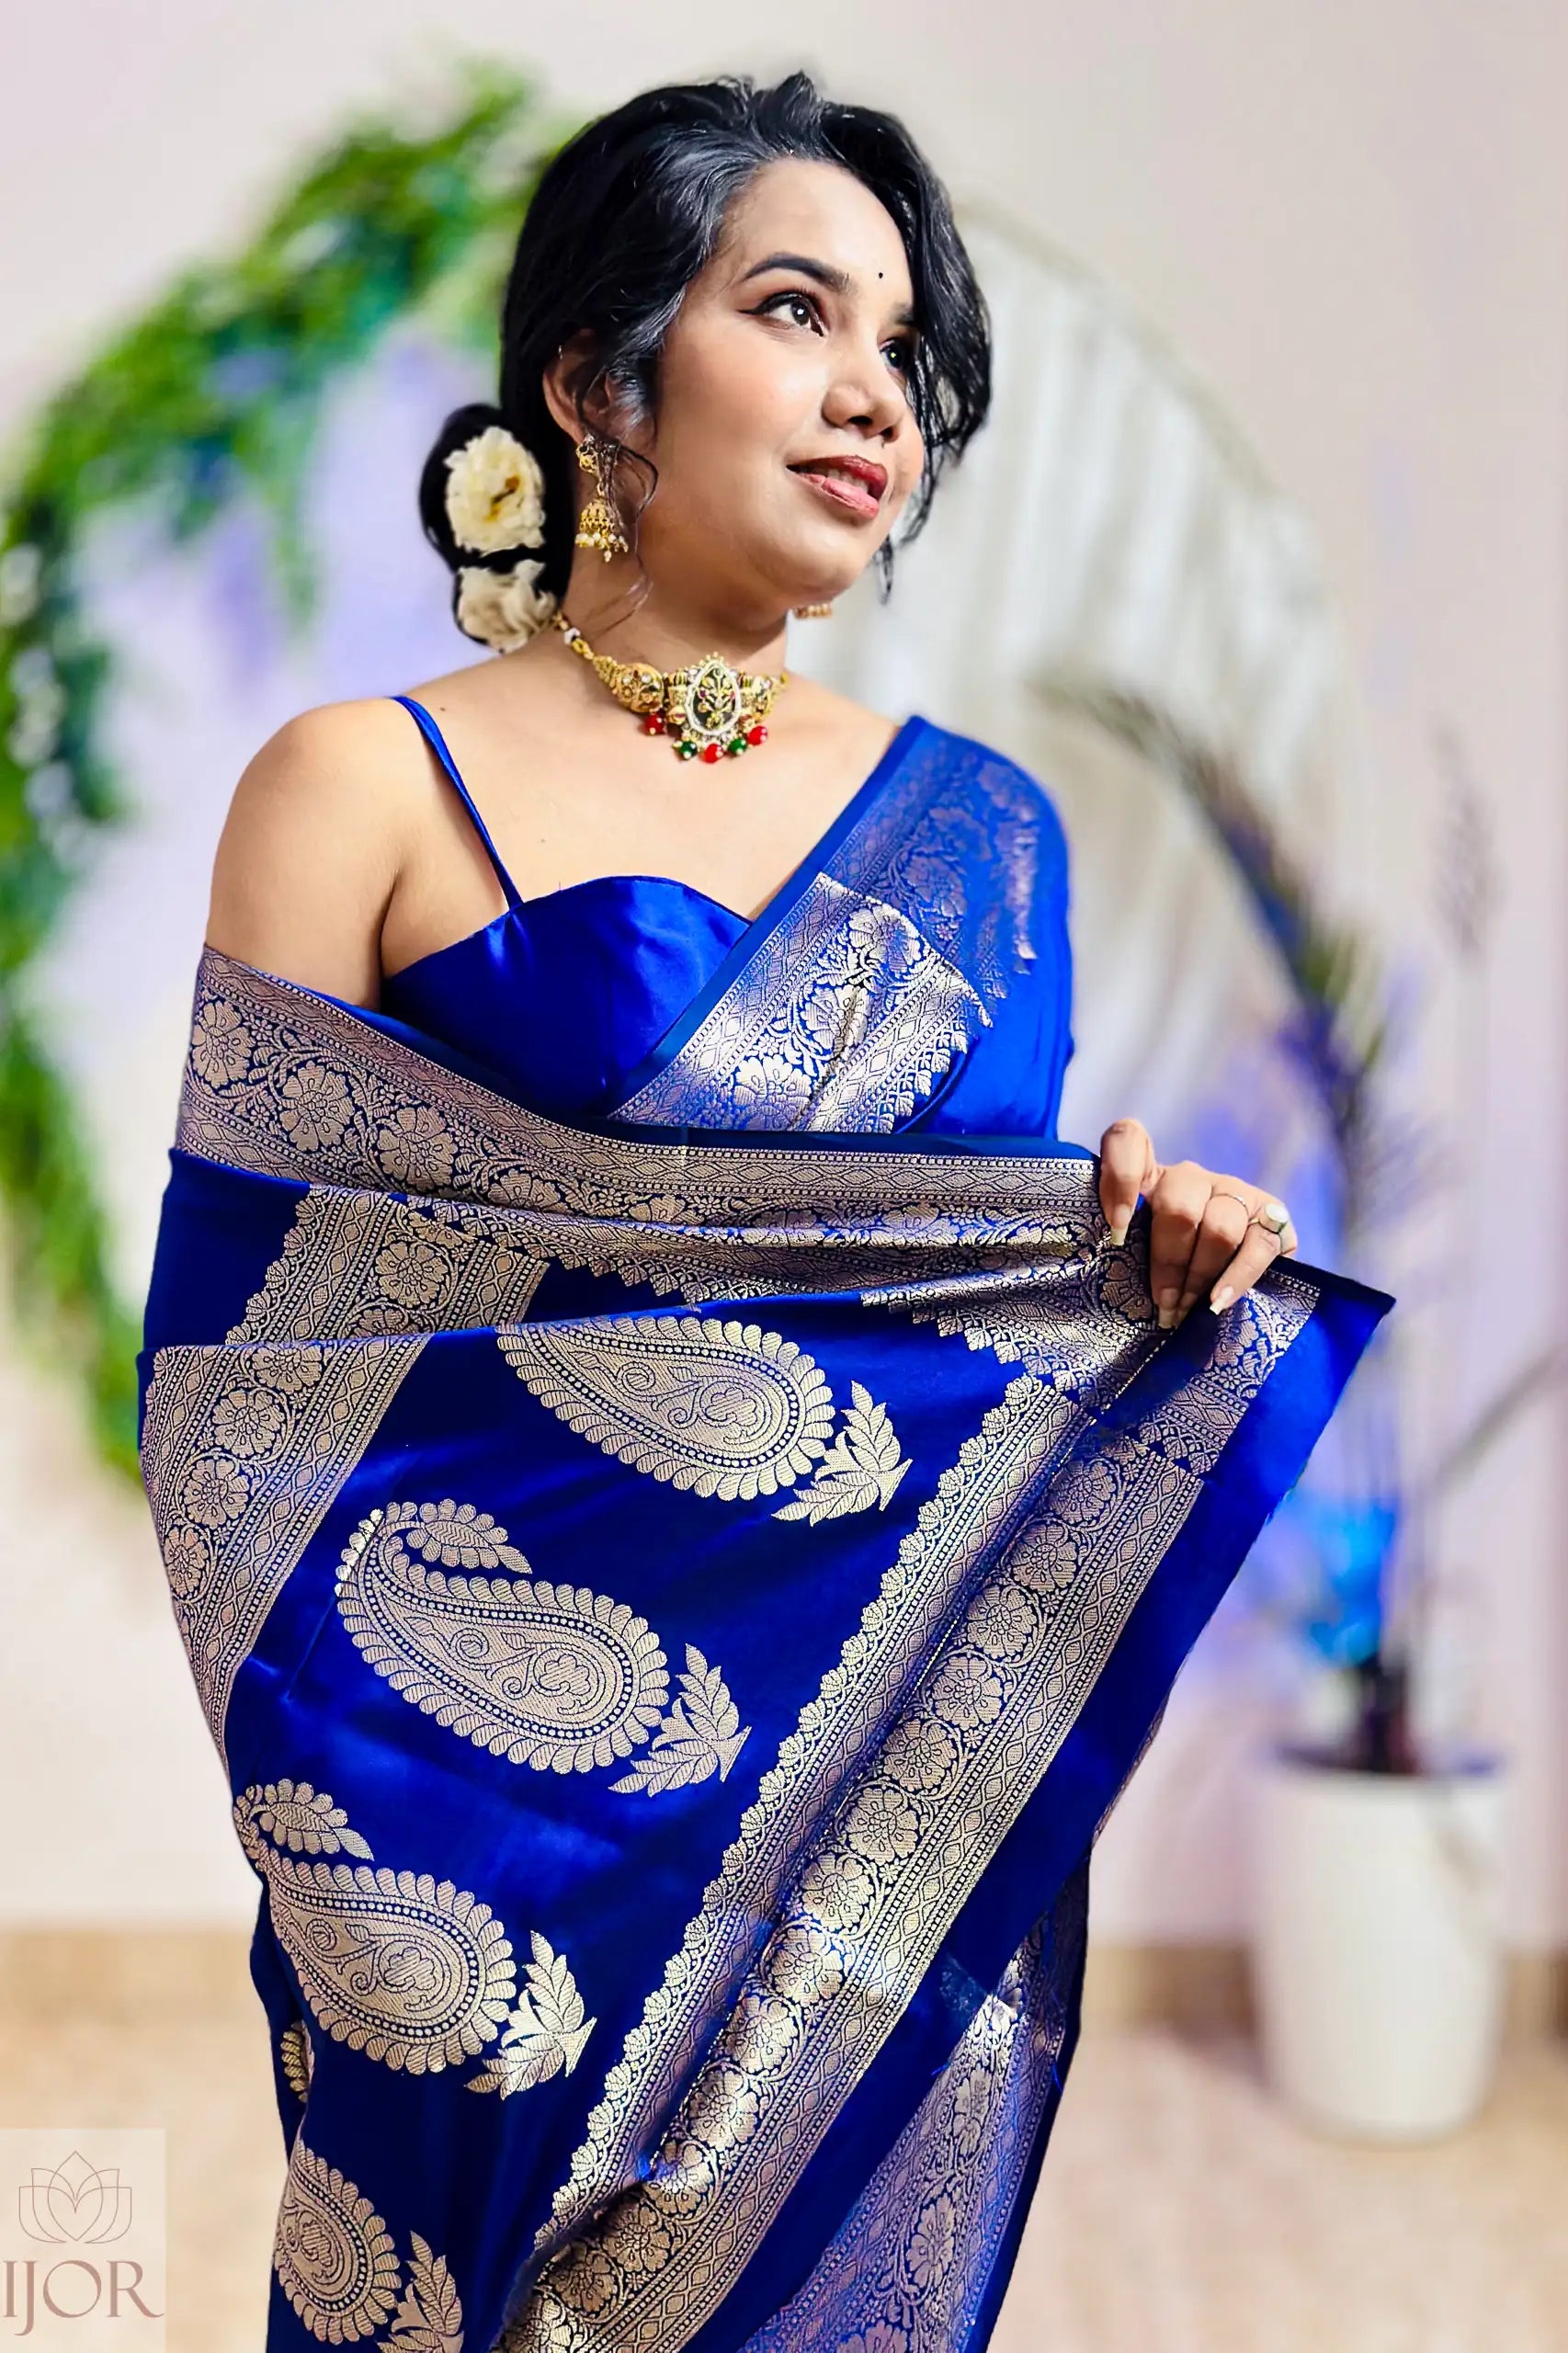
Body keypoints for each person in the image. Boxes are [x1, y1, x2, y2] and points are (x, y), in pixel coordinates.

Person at [138, 73, 1389, 2353]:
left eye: (900, 347)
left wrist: (1142, 1260)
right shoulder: (358, 785)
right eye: (793, 307)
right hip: (452, 1821)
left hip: (824, 1827)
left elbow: (927, 1320)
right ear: (599, 381)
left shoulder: (979, 838)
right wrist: (387, 1871)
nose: (868, 394)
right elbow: (245, 1383)